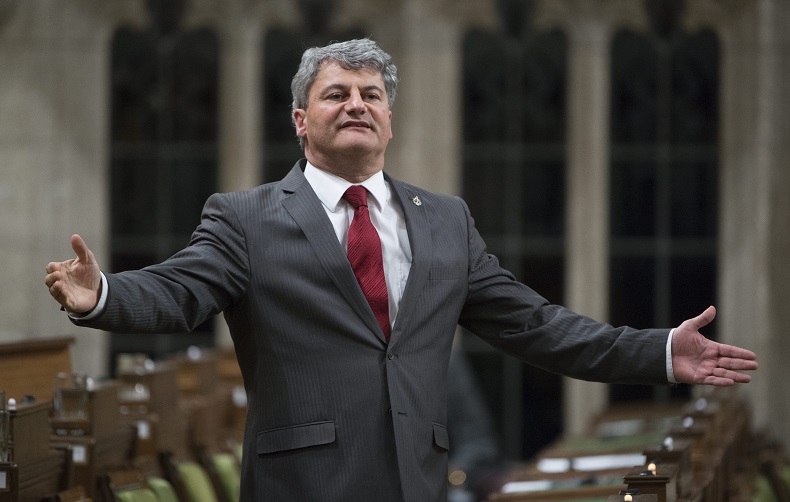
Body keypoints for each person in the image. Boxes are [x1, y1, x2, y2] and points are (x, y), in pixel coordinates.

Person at [44, 38, 757, 502]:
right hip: (303, 485)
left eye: (371, 95)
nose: (356, 104)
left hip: (418, 483)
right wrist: (101, 294)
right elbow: (178, 290)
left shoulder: (445, 220)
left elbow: (537, 325)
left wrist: (659, 351)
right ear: (300, 119)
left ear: (389, 118)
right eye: (336, 94)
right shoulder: (246, 217)